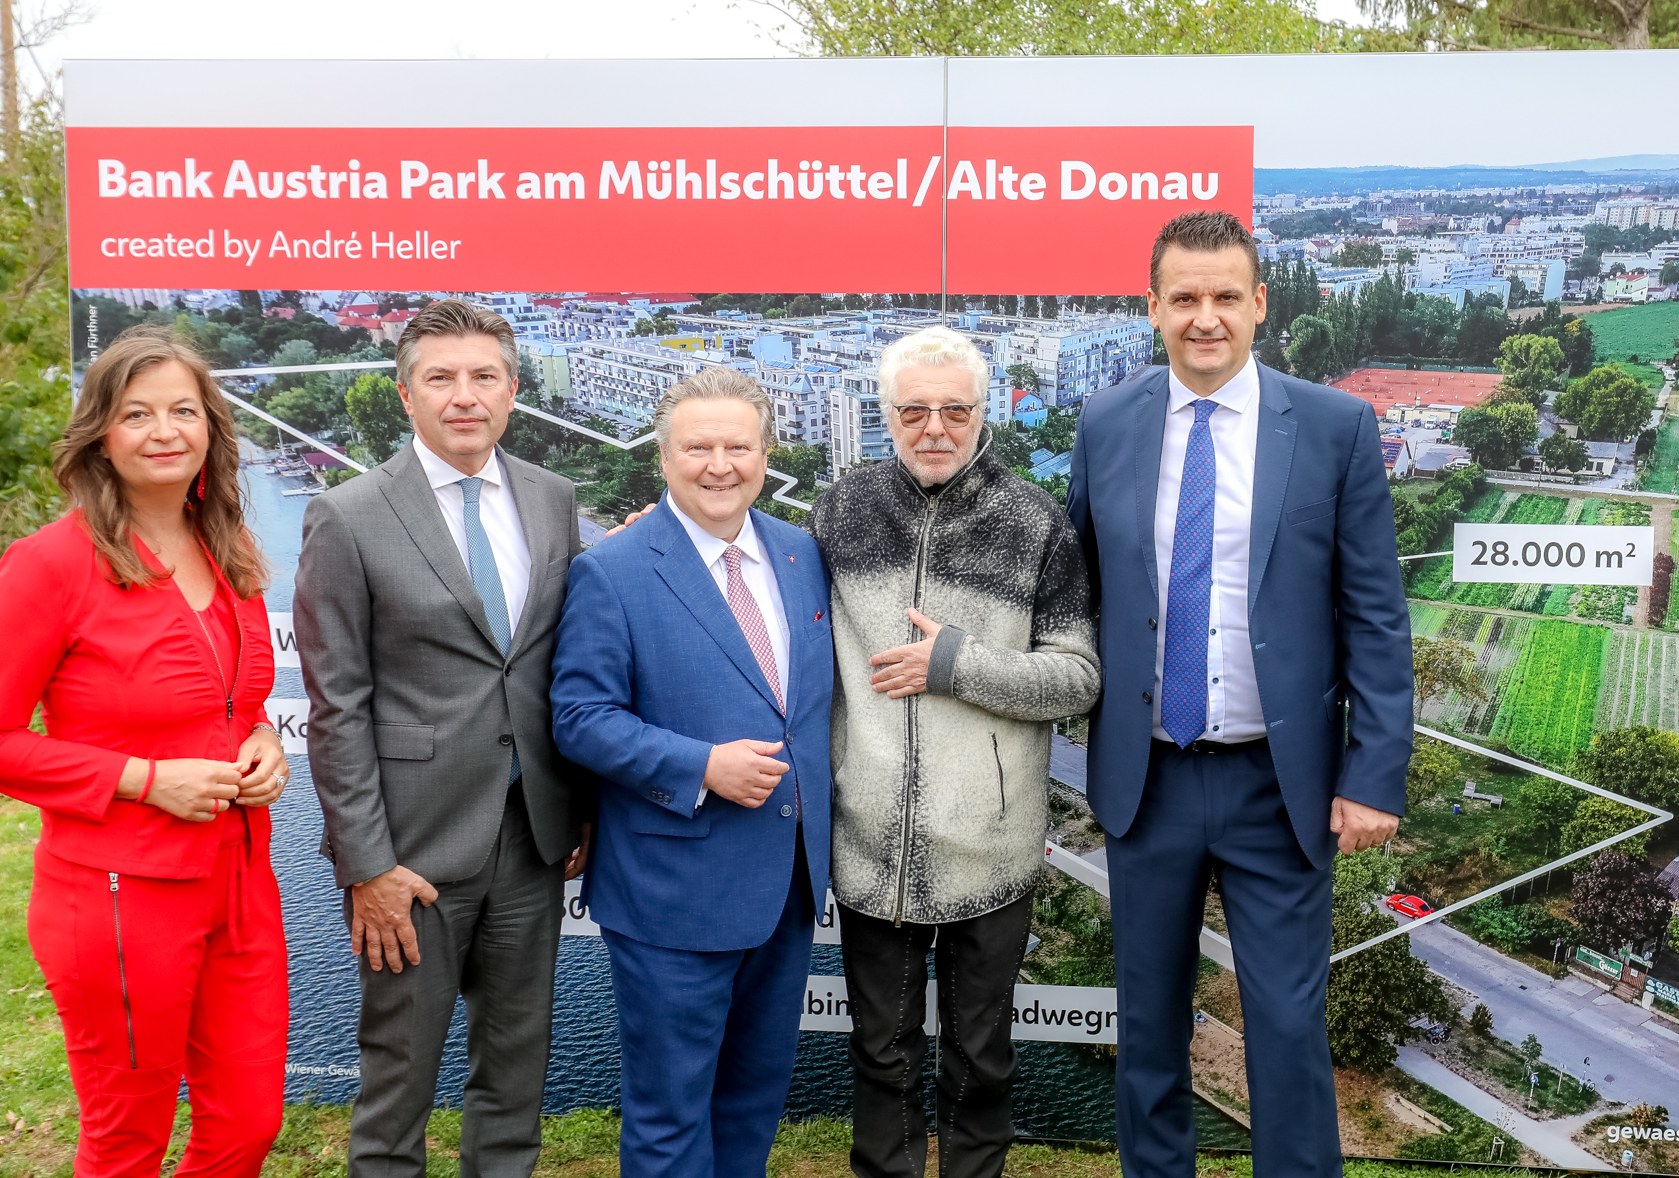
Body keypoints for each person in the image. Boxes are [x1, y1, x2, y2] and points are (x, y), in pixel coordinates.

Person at [1066, 210, 1414, 1178]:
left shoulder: (1335, 428)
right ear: (1152, 309)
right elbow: (1075, 583)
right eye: (1183, 298)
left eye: (1225, 296)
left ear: (1260, 304)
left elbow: (1376, 614)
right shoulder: (1104, 423)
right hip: (1149, 781)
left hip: (1281, 784)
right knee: (1146, 1029)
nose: (1204, 317)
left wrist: (1374, 774)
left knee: (1287, 1031)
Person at [0, 326, 289, 1178]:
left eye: (183, 409)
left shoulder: (229, 546)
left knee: (248, 1123)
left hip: (241, 882)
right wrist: (143, 780)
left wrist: (263, 740)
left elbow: (232, 702)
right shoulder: (49, 564)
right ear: (101, 433)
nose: (164, 429)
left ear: (211, 426)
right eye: (137, 413)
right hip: (118, 896)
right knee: (127, 1141)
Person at [296, 299, 590, 1178]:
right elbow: (336, 706)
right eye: (441, 378)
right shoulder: (347, 516)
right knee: (400, 1081)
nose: (465, 396)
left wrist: (577, 805)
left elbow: (555, 667)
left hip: (532, 836)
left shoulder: (553, 497)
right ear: (405, 392)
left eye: (484, 376)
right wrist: (366, 866)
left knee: (515, 1071)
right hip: (410, 853)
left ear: (511, 389)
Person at [809, 326, 1099, 1178]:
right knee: (880, 1054)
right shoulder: (839, 510)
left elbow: (1079, 676)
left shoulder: (1036, 523)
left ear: (984, 412)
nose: (934, 426)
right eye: (914, 409)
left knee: (980, 1060)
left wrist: (957, 664)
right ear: (888, 413)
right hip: (868, 846)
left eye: (954, 409)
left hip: (989, 847)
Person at [549, 368, 832, 1178]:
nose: (719, 464)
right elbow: (579, 717)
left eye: (738, 445)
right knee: (671, 1115)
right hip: (671, 893)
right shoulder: (614, 568)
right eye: (697, 446)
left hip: (784, 886)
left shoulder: (799, 552)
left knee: (751, 1099)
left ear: (766, 453)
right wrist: (700, 764)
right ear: (663, 457)